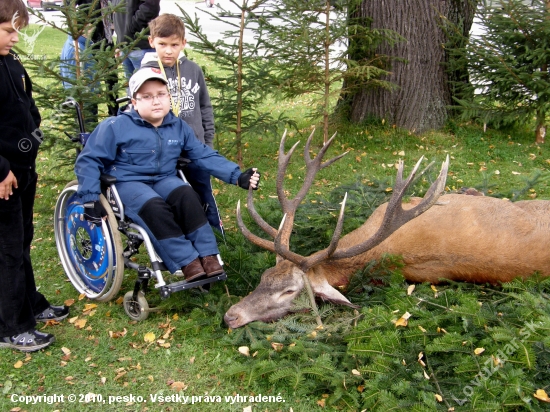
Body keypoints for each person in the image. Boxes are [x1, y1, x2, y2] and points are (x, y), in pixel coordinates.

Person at [74, 68, 260, 281]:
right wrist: (89, 199)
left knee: (189, 197)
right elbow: (89, 160)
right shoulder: (115, 126)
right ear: (134, 102)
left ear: (169, 97)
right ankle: (187, 261)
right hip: (127, 182)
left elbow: (202, 155)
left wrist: (237, 176)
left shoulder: (178, 126)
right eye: (147, 96)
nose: (156, 101)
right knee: (154, 206)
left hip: (164, 178)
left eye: (161, 94)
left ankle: (208, 255)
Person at [0, 0, 69, 353]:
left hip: (23, 170)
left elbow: (25, 104)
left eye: (17, 31)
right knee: (8, 249)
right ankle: (12, 326)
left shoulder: (9, 61)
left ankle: (32, 303)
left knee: (23, 238)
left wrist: (35, 128)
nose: (15, 38)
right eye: (9, 31)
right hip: (4, 178)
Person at [141, 14, 222, 231]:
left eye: (174, 45)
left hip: (195, 148)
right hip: (164, 153)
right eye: (162, 44)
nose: (168, 50)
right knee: (176, 196)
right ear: (151, 42)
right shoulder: (145, 74)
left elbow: (204, 106)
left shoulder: (193, 70)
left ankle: (217, 235)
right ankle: (184, 235)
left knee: (204, 192)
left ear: (183, 44)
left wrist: (207, 141)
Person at [113, 0, 160, 79]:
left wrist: (132, 28)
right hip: (124, 46)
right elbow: (117, 10)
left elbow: (151, 7)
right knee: (130, 87)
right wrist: (119, 42)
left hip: (142, 45)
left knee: (147, 85)